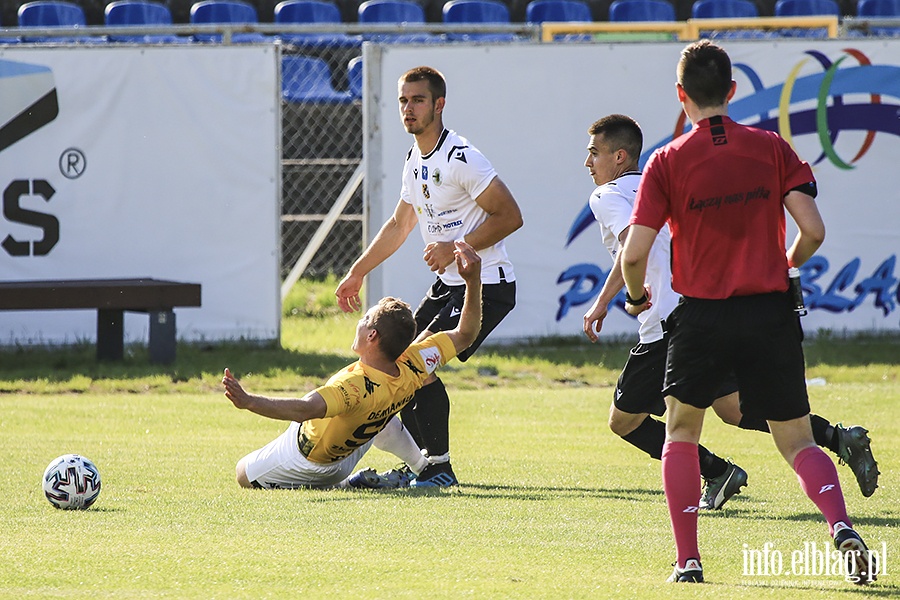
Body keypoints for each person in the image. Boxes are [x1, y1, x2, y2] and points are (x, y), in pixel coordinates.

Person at [620, 40, 876, 584]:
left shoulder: (665, 160)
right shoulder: (771, 147)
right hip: (770, 312)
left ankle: (688, 560)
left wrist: (638, 298)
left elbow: (635, 253)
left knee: (682, 434)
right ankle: (839, 526)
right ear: (733, 92)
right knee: (799, 440)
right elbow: (814, 231)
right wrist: (787, 263)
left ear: (681, 96)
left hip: (702, 318)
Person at [581, 114, 878, 511]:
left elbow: (634, 247)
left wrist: (625, 299)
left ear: (620, 156)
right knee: (735, 409)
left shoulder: (606, 195)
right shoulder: (662, 183)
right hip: (707, 306)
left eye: (594, 153)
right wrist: (605, 299)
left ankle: (713, 484)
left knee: (625, 421)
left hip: (667, 323)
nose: (588, 163)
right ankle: (836, 437)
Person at [335, 65, 523, 487]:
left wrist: (454, 248)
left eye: (417, 100)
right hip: (449, 286)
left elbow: (510, 215)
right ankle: (424, 466)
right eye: (403, 100)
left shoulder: (462, 158)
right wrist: (356, 272)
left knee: (412, 365)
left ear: (439, 104)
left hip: (486, 286)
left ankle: (437, 469)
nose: (408, 108)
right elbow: (400, 226)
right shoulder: (413, 159)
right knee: (395, 362)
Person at [222, 241, 483, 490]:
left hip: (310, 462)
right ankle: (421, 467)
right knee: (379, 416)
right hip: (353, 444)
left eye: (365, 319)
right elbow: (465, 335)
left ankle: (341, 484)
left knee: (243, 473)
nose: (359, 322)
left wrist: (249, 401)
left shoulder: (353, 385)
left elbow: (304, 410)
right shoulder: (415, 361)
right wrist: (472, 281)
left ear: (372, 336)